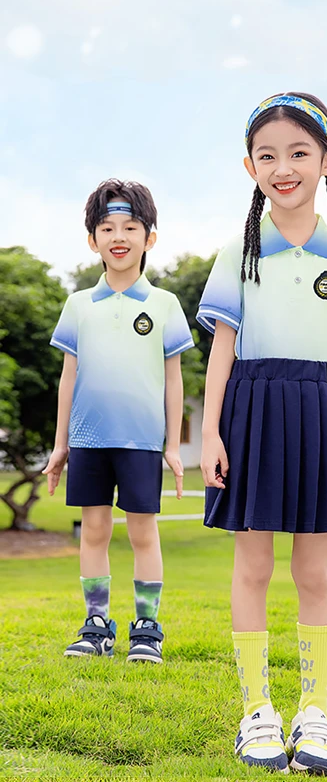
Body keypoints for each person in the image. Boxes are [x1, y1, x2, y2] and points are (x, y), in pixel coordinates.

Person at [197, 92, 327, 775]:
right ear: (249, 166)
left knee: (313, 567)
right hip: (251, 410)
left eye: (300, 153)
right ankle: (256, 713)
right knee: (253, 566)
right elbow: (222, 347)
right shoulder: (237, 254)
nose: (284, 167)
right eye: (268, 155)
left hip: (322, 414)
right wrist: (211, 433)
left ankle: (316, 712)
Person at [44, 179, 193, 664]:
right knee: (93, 531)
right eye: (107, 227)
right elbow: (69, 378)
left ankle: (147, 628)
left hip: (142, 442)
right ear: (93, 239)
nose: (118, 235)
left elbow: (174, 382)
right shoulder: (78, 305)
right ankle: (96, 625)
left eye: (130, 225)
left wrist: (172, 445)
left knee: (143, 532)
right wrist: (60, 443)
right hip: (88, 440)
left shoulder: (165, 305)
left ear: (149, 236)